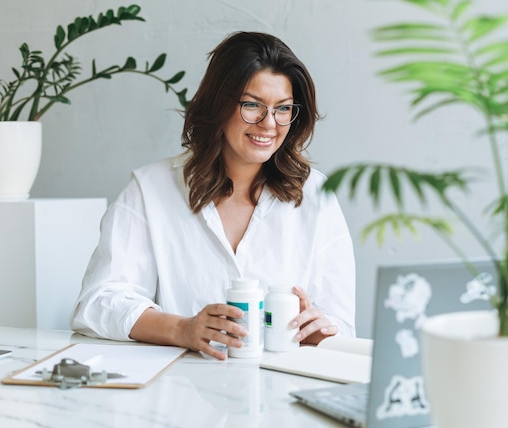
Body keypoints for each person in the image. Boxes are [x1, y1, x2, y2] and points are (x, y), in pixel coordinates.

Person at [70, 31, 356, 360]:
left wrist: (322, 331)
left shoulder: (317, 196)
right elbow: (96, 304)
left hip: (283, 395)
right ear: (219, 104)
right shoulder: (151, 189)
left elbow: (343, 326)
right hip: (180, 393)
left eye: (283, 109)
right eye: (252, 105)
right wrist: (181, 329)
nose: (269, 124)